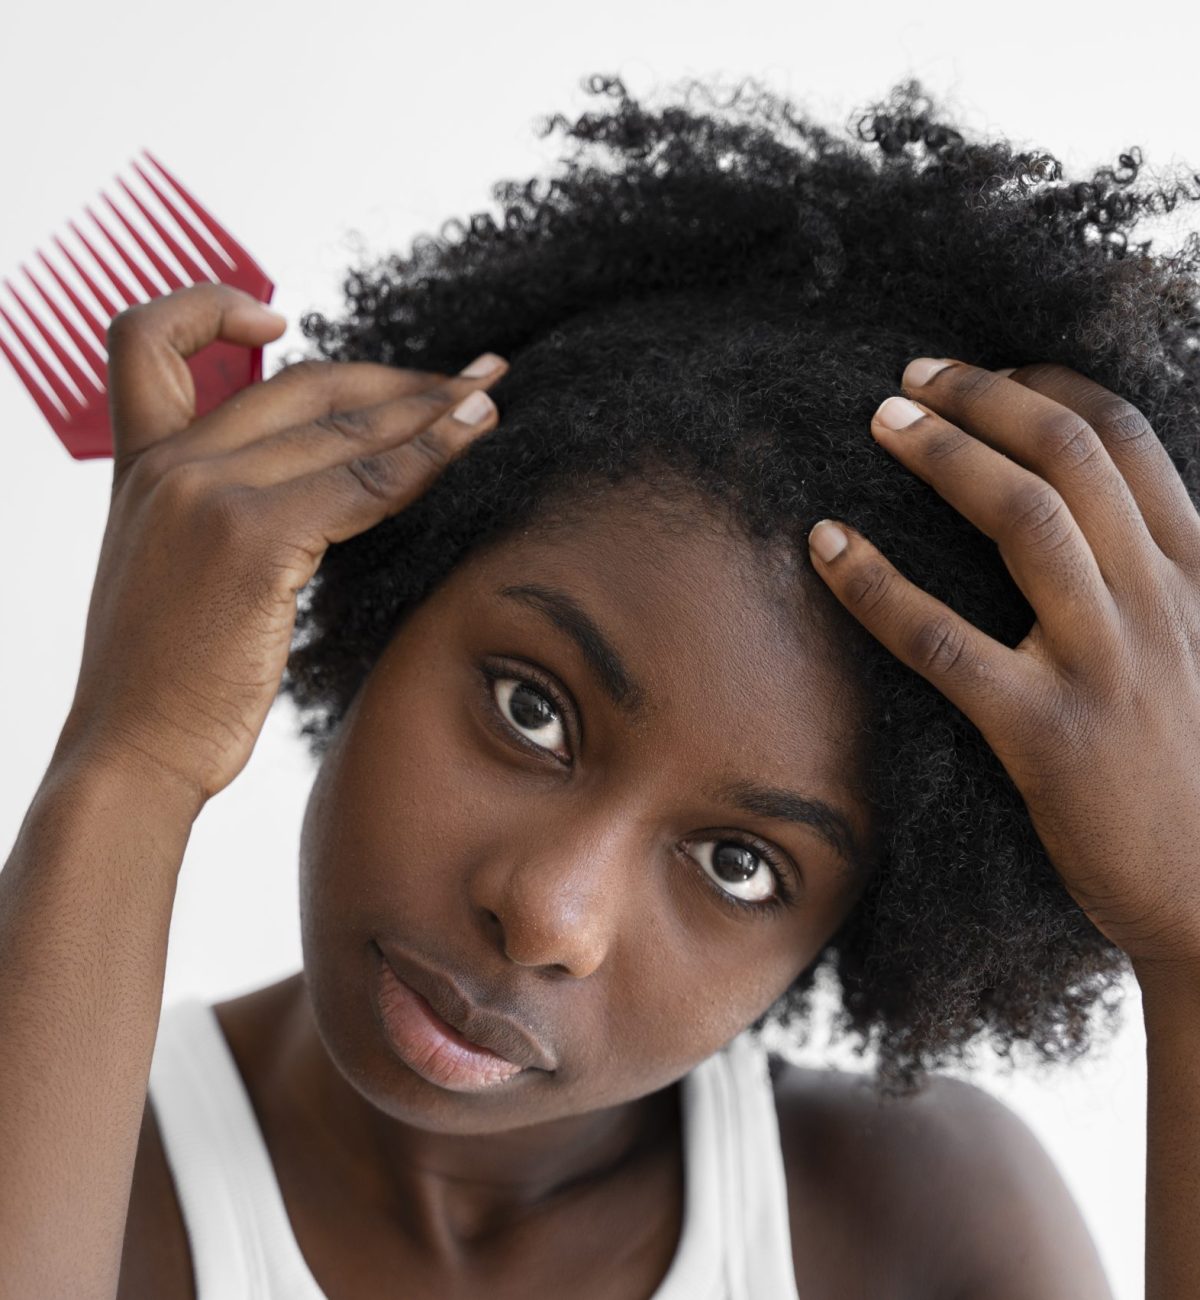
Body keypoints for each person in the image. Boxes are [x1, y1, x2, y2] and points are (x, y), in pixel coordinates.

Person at [4, 71, 1200, 1298]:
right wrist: (131, 761)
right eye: (534, 710)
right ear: (387, 584)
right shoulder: (85, 1183)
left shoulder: (904, 1225)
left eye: (741, 863)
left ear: (856, 926)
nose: (548, 914)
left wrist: (1190, 940)